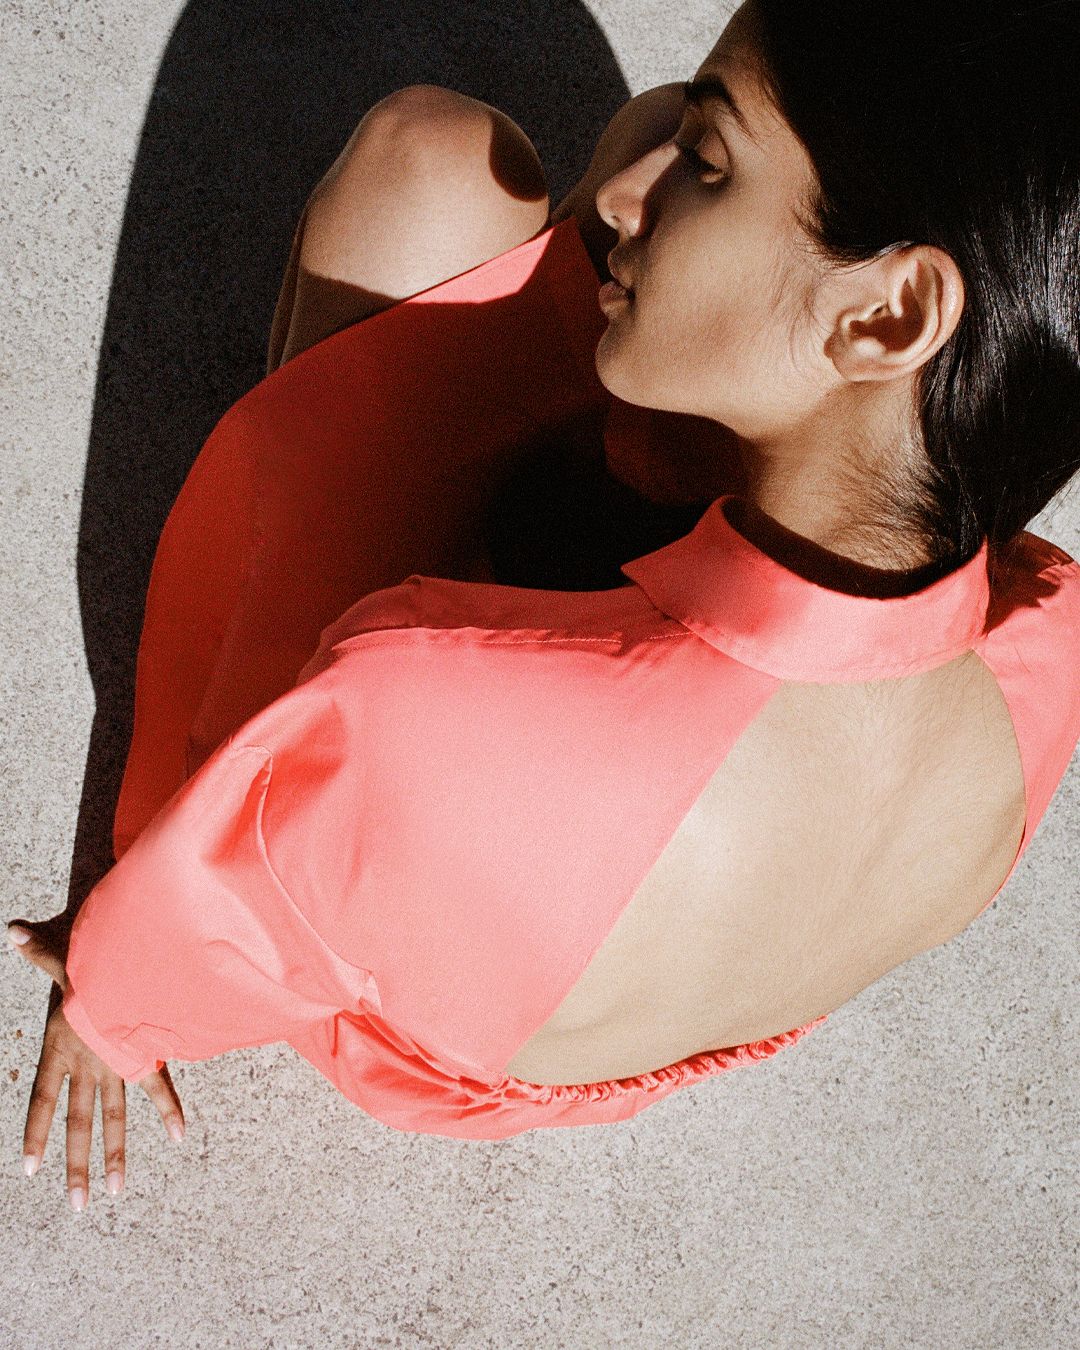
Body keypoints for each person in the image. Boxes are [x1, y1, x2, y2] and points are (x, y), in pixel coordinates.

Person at [10, 0, 1080, 1211]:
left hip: (450, 942)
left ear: (889, 314)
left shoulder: (413, 700)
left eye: (711, 167)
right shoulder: (1051, 653)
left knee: (428, 162)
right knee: (623, 124)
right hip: (616, 914)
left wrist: (114, 1005)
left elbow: (222, 903)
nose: (632, 191)